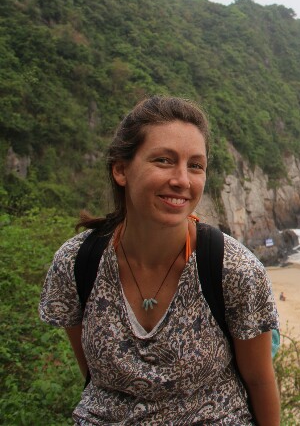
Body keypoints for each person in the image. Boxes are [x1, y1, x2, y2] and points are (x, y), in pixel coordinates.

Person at [39, 96, 280, 425]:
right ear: (121, 169)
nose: (182, 180)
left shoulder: (233, 270)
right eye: (164, 160)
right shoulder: (77, 263)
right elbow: (96, 379)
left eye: (195, 165)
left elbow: (260, 381)